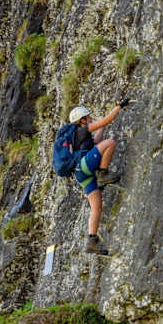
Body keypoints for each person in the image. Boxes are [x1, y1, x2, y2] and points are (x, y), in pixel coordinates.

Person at [70, 98, 130, 255]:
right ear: (82, 120)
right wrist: (119, 106)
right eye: (88, 117)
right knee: (110, 143)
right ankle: (103, 174)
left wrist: (103, 126)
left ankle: (91, 240)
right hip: (84, 167)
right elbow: (105, 121)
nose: (90, 118)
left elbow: (96, 140)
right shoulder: (82, 130)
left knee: (96, 206)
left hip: (81, 175)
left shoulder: (79, 136)